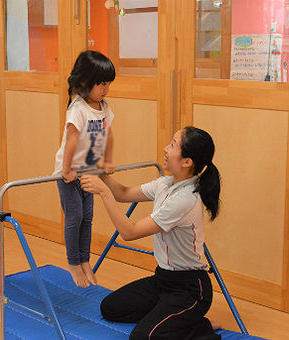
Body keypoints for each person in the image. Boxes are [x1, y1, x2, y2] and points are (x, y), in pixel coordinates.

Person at [80, 126, 222, 340]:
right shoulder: (165, 184)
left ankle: (199, 328)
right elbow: (124, 193)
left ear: (187, 162)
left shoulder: (185, 199)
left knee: (142, 337)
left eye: (173, 145)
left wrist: (102, 191)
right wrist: (99, 170)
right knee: (110, 308)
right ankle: (175, 319)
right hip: (163, 281)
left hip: (190, 289)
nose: (166, 148)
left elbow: (129, 232)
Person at [53, 50, 116, 288]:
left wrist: (107, 161)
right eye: (101, 84)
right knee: (75, 216)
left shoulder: (104, 107)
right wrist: (66, 170)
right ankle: (73, 263)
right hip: (69, 172)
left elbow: (109, 136)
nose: (105, 89)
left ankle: (85, 260)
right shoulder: (77, 109)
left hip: (88, 170)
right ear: (84, 83)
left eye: (108, 84)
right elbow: (70, 141)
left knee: (88, 217)